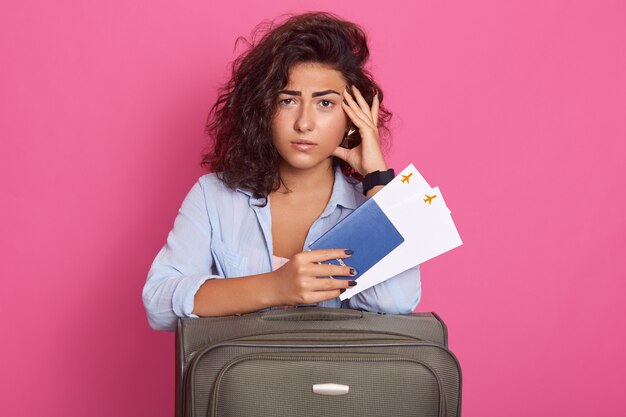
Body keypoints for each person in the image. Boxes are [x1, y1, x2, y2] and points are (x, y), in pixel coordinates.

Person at [142, 11, 422, 331]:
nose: (304, 123)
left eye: (325, 104)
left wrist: (378, 178)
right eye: (288, 100)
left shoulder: (366, 206)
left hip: (338, 380)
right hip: (241, 380)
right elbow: (159, 304)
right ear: (264, 110)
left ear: (352, 120)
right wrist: (274, 287)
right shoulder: (213, 196)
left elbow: (396, 302)